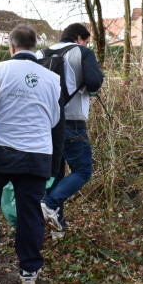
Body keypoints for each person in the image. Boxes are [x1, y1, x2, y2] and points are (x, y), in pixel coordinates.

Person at [0, 24, 63, 284]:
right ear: (35, 47)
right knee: (29, 212)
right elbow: (56, 123)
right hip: (37, 156)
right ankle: (29, 270)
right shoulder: (52, 79)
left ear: (11, 46)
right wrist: (55, 166)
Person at [38, 23, 104, 239]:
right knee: (83, 171)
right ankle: (49, 204)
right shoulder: (82, 52)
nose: (87, 44)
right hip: (72, 122)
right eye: (86, 40)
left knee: (56, 175)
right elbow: (94, 82)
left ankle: (58, 229)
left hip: (45, 123)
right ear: (79, 38)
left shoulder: (42, 52)